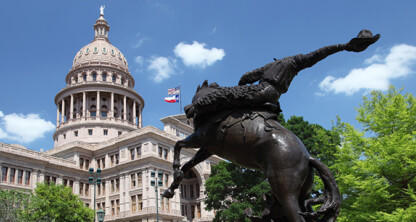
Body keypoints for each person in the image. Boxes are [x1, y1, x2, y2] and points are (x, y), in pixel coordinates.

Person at [185, 30, 380, 119]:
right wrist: (343, 47)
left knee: (223, 94)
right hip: (270, 94)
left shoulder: (281, 63)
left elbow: (246, 77)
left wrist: (343, 46)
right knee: (231, 93)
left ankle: (196, 109)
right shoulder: (294, 61)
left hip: (264, 91)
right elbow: (317, 54)